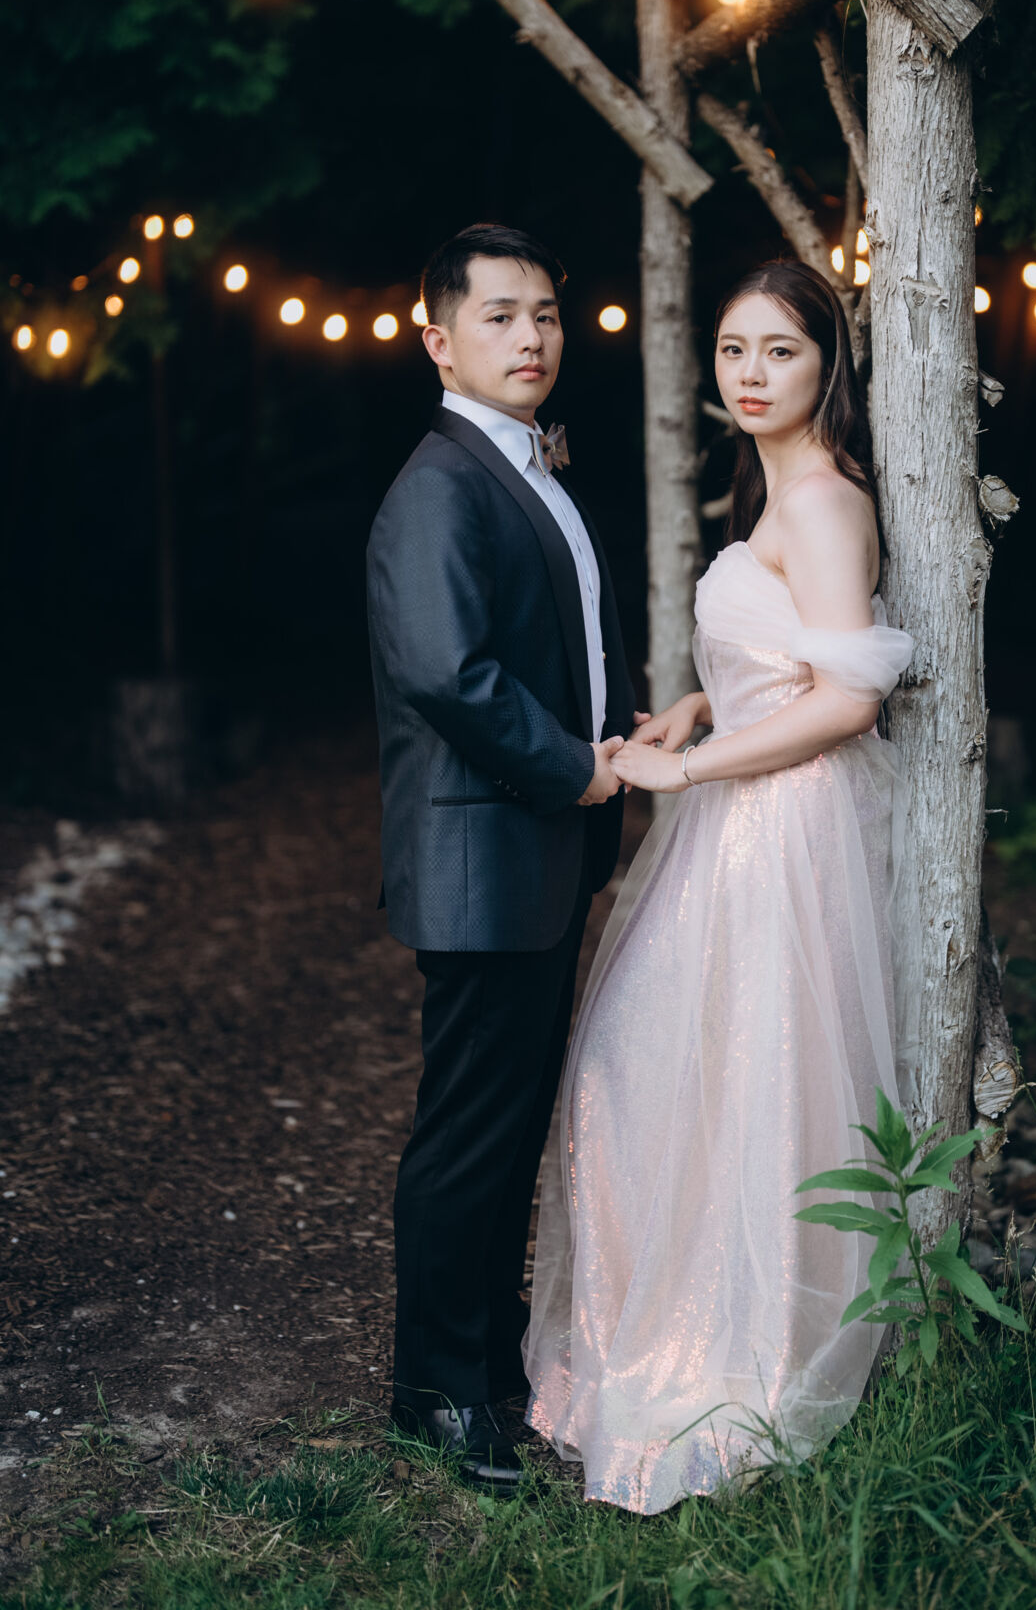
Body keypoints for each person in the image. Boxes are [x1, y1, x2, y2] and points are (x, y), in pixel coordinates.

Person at [524, 259, 918, 1514]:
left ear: (826, 366)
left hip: (780, 828)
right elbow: (788, 657)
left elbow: (848, 703)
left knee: (752, 1078)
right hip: (739, 806)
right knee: (648, 1073)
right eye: (734, 350)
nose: (750, 374)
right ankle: (664, 1325)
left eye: (779, 352)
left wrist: (684, 766)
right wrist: (703, 700)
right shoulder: (773, 486)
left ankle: (743, 1352)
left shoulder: (826, 499)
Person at [366, 223, 637, 1493]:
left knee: (509, 1123)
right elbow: (447, 672)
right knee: (468, 1134)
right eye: (499, 316)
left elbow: (557, 645)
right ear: (438, 340)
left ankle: (485, 1368)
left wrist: (625, 726)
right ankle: (434, 1392)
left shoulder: (525, 465)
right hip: (485, 860)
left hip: (536, 856)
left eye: (545, 314)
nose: (531, 337)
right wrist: (574, 767)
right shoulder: (439, 483)